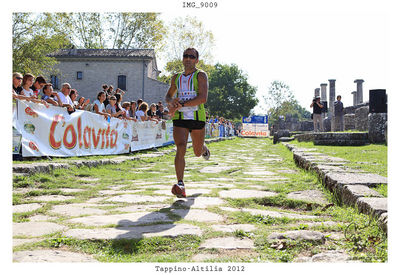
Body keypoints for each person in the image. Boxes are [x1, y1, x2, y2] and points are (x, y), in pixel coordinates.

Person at [165, 47, 210, 198]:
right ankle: (180, 184)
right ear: (182, 59)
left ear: (196, 60)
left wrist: (182, 105)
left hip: (197, 117)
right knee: (181, 147)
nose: (188, 58)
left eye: (191, 56)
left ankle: (204, 149)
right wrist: (172, 102)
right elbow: (168, 96)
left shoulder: (200, 75)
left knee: (197, 152)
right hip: (180, 118)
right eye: (185, 56)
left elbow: (203, 98)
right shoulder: (176, 77)